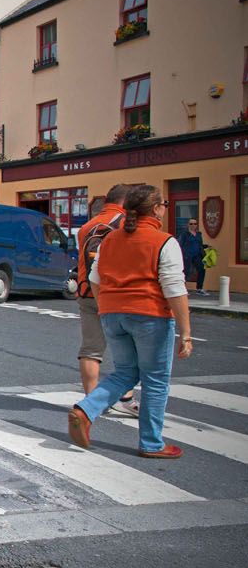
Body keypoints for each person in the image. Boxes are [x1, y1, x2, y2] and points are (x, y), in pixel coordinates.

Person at [68, 184, 193, 459]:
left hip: (113, 314)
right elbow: (174, 288)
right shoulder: (163, 241)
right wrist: (185, 332)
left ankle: (86, 409)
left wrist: (105, 308)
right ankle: (151, 443)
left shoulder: (111, 239)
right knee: (156, 379)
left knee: (126, 372)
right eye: (164, 205)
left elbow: (94, 278)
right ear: (157, 208)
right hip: (150, 315)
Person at [75, 183, 138, 417]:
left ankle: (92, 401)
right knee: (127, 348)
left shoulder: (86, 227)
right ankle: (127, 397)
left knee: (91, 349)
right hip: (117, 295)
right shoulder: (126, 224)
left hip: (87, 291)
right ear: (125, 202)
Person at [177, 217, 207, 297]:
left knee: (201, 269)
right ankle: (183, 289)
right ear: (188, 225)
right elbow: (180, 244)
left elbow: (200, 244)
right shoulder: (185, 234)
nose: (193, 225)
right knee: (186, 272)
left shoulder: (198, 234)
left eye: (195, 224)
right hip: (187, 255)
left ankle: (199, 288)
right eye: (191, 224)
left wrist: (206, 247)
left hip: (197, 255)